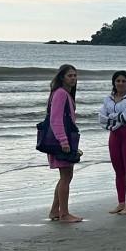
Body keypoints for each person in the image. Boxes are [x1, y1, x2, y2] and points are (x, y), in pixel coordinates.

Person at [98, 70, 126, 215]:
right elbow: (101, 118)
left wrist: (112, 117)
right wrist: (116, 119)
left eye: (124, 81)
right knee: (118, 171)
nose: (121, 83)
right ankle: (121, 203)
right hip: (114, 136)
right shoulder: (108, 99)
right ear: (114, 83)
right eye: (118, 81)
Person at [47, 64, 83, 223]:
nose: (73, 78)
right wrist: (63, 141)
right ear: (62, 77)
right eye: (70, 75)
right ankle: (64, 214)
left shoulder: (65, 93)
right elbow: (55, 119)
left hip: (65, 139)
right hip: (61, 141)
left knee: (66, 176)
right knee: (66, 176)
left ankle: (55, 211)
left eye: (75, 75)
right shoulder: (60, 93)